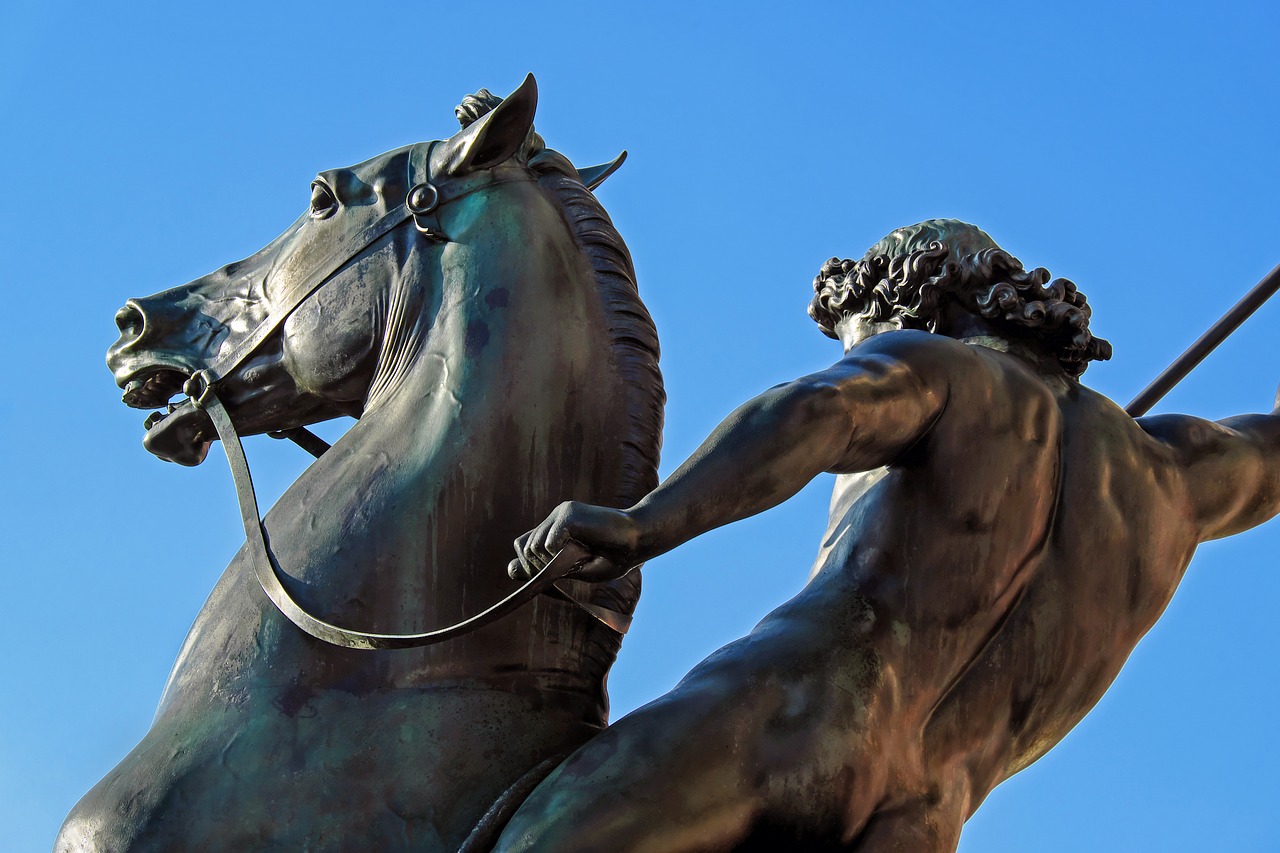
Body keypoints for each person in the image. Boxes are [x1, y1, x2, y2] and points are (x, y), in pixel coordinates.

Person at [493, 220, 1280, 852]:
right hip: (926, 818)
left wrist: (644, 524)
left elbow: (812, 414)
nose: (862, 355)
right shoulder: (1174, 475)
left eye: (864, 339)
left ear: (923, 311)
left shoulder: (945, 370)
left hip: (787, 727)